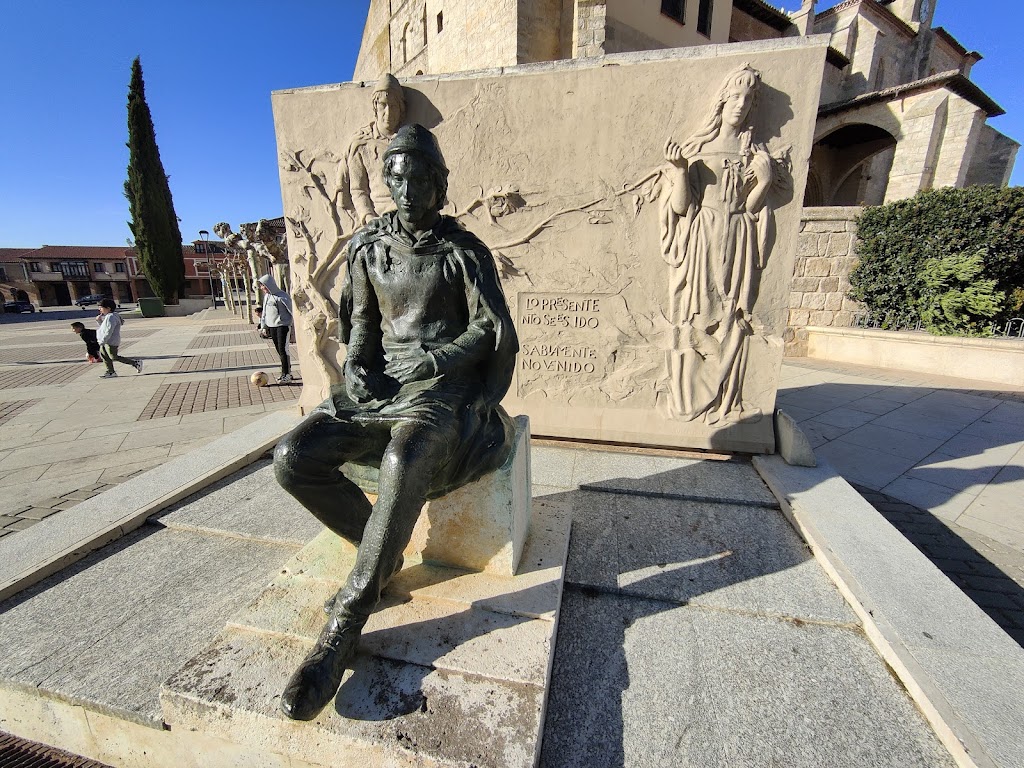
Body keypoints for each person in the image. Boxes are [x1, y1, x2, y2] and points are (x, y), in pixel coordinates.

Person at [273, 124, 518, 721]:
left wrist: (438, 358)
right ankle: (376, 551)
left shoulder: (463, 251)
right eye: (396, 178)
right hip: (379, 383)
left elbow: (490, 329)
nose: (406, 190)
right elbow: (360, 320)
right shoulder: (367, 247)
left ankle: (345, 623)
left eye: (419, 179)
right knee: (292, 460)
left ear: (439, 185)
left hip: (443, 385)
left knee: (403, 460)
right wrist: (357, 365)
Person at [658, 63, 777, 424]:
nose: (741, 105)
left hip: (738, 237)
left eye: (748, 99)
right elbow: (680, 207)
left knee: (732, 315)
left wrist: (765, 180)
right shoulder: (699, 148)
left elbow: (752, 206)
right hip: (703, 238)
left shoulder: (754, 154)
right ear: (722, 101)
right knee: (697, 315)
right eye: (735, 97)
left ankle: (724, 398)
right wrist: (679, 170)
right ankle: (690, 394)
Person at [343, 74, 406, 226]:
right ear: (375, 107)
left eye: (394, 106)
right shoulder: (362, 144)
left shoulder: (409, 141)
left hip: (410, 220)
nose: (388, 112)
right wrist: (368, 217)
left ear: (401, 109)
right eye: (383, 105)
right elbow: (358, 190)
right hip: (379, 220)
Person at [257, 274, 294, 384]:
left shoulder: (282, 296)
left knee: (283, 350)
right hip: (271, 326)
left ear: (269, 285)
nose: (262, 288)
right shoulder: (267, 297)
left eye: (263, 286)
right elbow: (264, 313)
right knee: (279, 350)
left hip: (283, 326)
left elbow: (293, 311)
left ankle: (287, 375)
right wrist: (263, 326)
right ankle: (285, 373)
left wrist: (294, 327)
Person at [96, 299, 143, 378]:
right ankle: (110, 372)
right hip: (106, 341)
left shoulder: (111, 317)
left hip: (110, 341)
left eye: (101, 307)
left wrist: (103, 340)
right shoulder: (109, 316)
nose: (99, 309)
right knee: (104, 355)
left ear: (108, 308)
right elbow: (103, 328)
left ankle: (135, 363)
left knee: (113, 357)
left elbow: (109, 330)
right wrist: (99, 321)